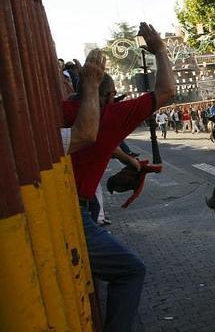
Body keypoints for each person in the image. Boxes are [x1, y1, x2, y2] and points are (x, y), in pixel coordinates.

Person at [62, 22, 175, 332]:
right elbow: (166, 90)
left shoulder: (60, 111)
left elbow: (104, 145)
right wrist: (159, 50)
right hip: (74, 213)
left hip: (66, 206)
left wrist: (131, 161)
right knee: (130, 270)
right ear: (109, 96)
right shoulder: (110, 117)